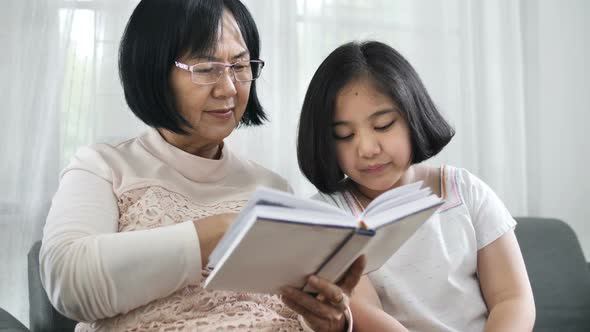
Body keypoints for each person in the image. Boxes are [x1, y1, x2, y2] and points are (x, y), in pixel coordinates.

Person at [40, 1, 364, 331]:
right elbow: (68, 283)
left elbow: (295, 311)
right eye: (207, 68)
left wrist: (327, 323)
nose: (228, 89)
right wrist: (221, 230)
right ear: (154, 70)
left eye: (239, 66)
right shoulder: (103, 166)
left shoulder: (273, 186)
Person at [296, 40, 536, 331]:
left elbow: (512, 298)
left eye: (383, 125)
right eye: (345, 135)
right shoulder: (327, 216)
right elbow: (365, 313)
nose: (367, 148)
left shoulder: (466, 192)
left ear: (413, 117)